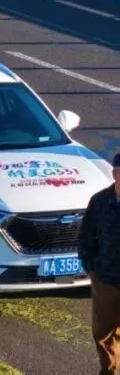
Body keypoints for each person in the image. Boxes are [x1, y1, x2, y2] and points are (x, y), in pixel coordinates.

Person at [79, 152, 120, 374]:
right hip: (106, 279)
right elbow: (86, 238)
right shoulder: (99, 202)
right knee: (103, 334)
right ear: (115, 174)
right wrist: (92, 268)